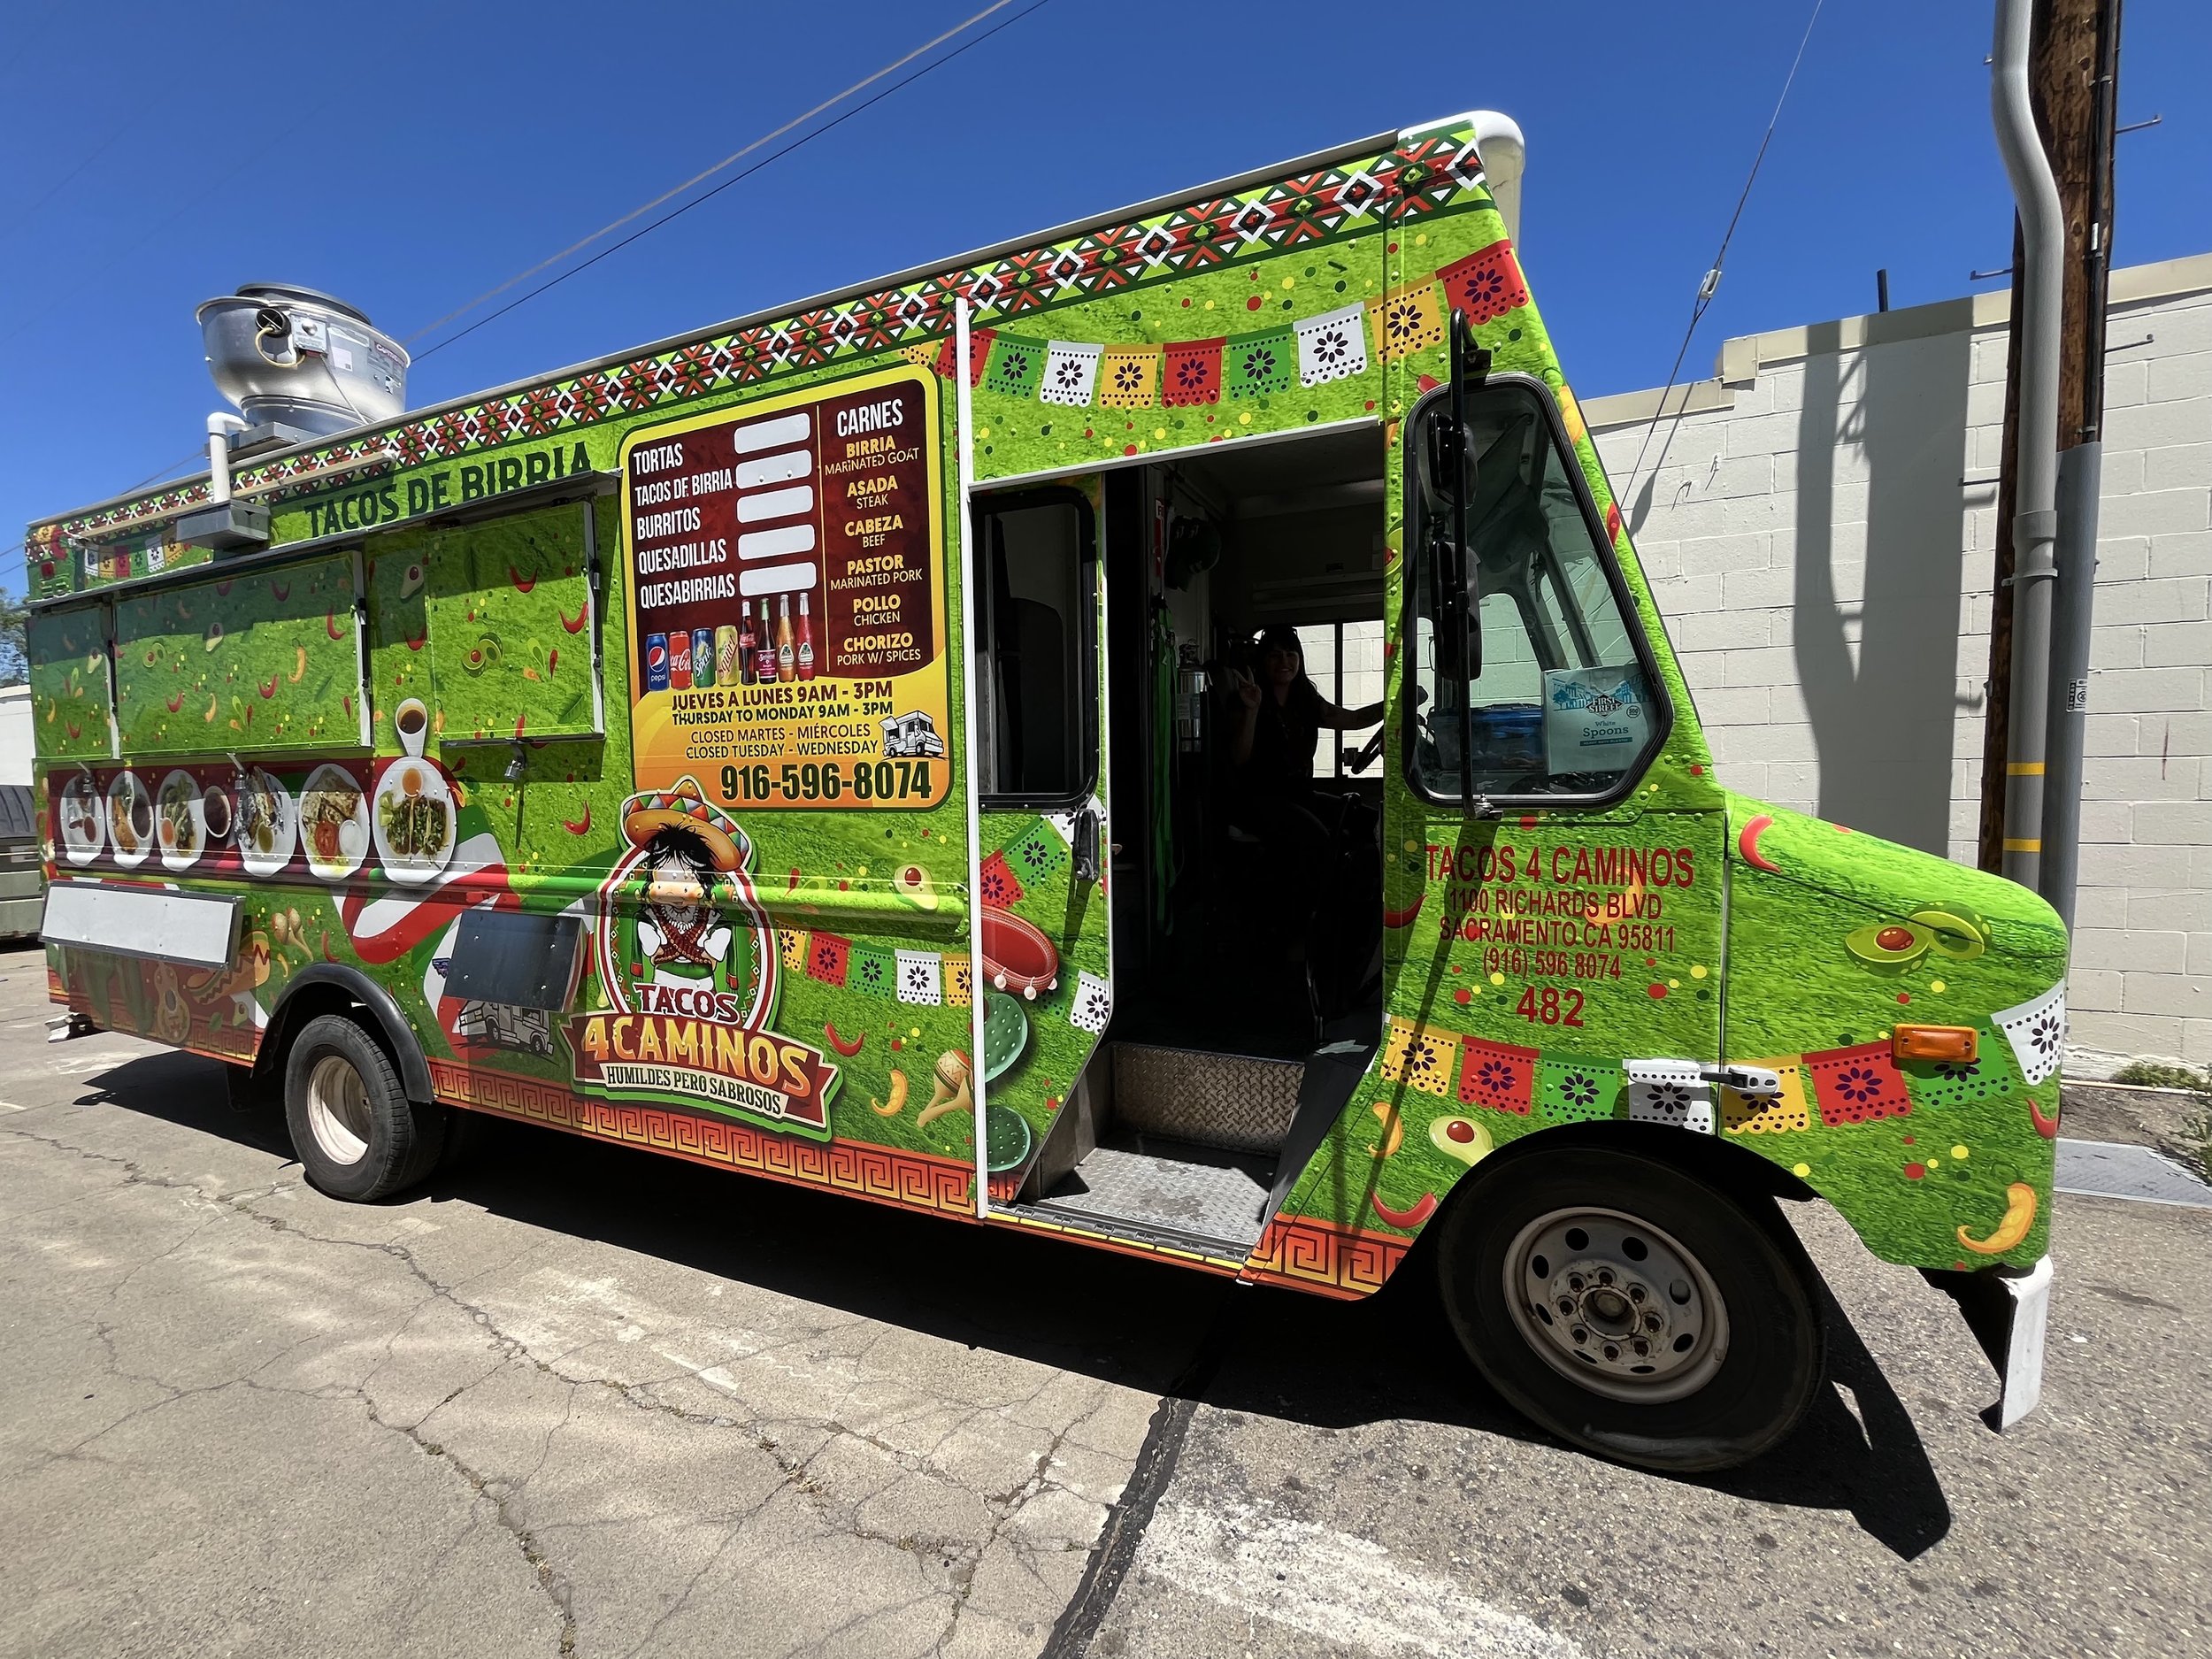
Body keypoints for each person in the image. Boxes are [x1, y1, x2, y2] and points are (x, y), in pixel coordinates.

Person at [1217, 627, 1384, 964]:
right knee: (1319, 843)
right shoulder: (1247, 698)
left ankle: (1358, 925)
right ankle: (1301, 936)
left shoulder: (1306, 699)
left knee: (1365, 820)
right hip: (1259, 799)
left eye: (1291, 654)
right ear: (1263, 661)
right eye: (1275, 655)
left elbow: (1353, 719)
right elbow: (1239, 759)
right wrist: (1252, 710)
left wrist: (1394, 703)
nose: (1284, 661)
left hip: (1299, 793)